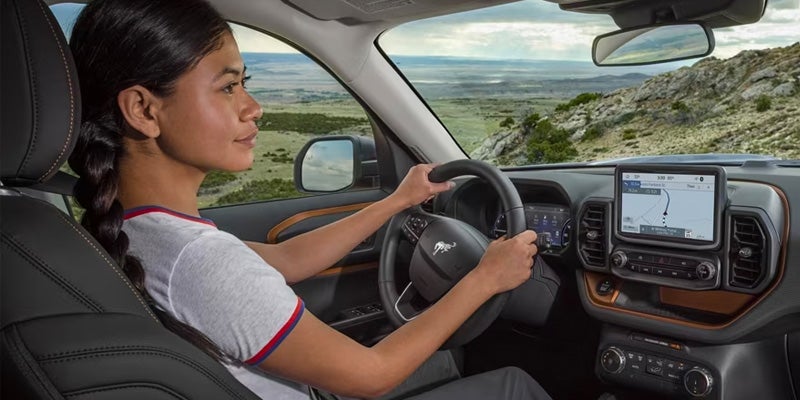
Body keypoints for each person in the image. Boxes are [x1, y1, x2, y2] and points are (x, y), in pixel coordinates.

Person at [67, 0, 550, 399]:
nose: (253, 108)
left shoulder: (139, 230)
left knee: (447, 361)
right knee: (515, 386)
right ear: (143, 110)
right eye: (228, 86)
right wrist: (486, 277)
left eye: (246, 85)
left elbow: (287, 260)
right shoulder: (202, 263)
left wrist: (396, 202)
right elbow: (372, 373)